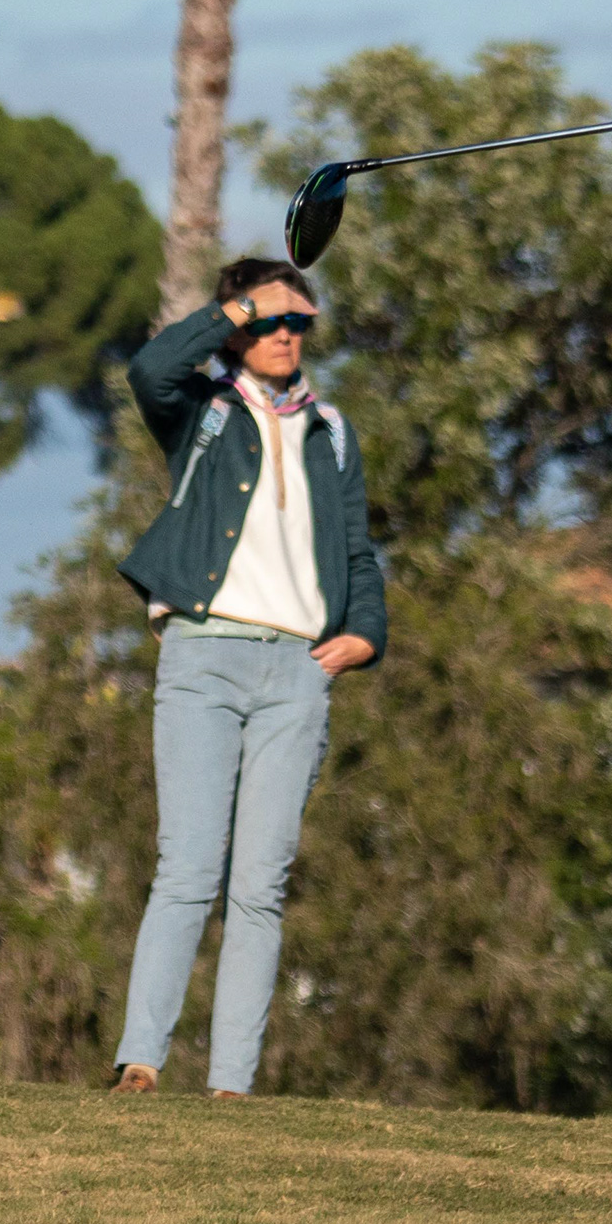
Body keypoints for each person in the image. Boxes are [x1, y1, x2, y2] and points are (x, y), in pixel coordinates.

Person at [110, 258, 386, 1098]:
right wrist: (236, 306)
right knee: (188, 870)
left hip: (296, 669)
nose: (283, 335)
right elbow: (149, 369)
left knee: (260, 885)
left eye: (297, 322)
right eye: (268, 320)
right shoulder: (203, 409)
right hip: (204, 656)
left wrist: (364, 634)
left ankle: (232, 1085)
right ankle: (141, 1062)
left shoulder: (331, 431)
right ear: (237, 326)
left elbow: (357, 550)